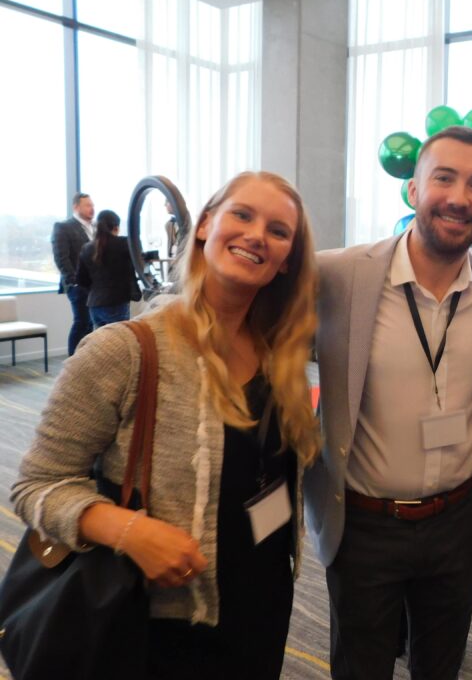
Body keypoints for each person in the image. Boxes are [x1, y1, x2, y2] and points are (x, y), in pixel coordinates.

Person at [13, 171, 319, 680]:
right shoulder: (126, 350)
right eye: (242, 215)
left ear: (287, 259)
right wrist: (128, 530)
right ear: (205, 226)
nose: (256, 235)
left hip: (261, 603)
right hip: (157, 620)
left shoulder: (279, 358)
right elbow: (36, 486)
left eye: (278, 230)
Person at [306, 125, 472, 680]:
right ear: (413, 189)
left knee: (441, 666)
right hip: (365, 523)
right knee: (361, 669)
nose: (459, 197)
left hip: (458, 522)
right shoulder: (338, 275)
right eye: (444, 178)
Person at [76, 209, 140, 329]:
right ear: (116, 227)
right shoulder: (124, 244)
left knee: (101, 340)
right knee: (120, 338)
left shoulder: (87, 248)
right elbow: (138, 263)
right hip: (117, 302)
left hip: (94, 303)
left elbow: (81, 279)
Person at [51, 191, 95, 355]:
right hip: (77, 285)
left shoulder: (95, 227)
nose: (92, 208)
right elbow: (61, 258)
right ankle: (72, 361)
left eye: (92, 205)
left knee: (90, 324)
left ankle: (85, 359)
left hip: (95, 284)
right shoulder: (64, 227)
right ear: (76, 207)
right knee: (82, 322)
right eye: (87, 205)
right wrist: (74, 281)